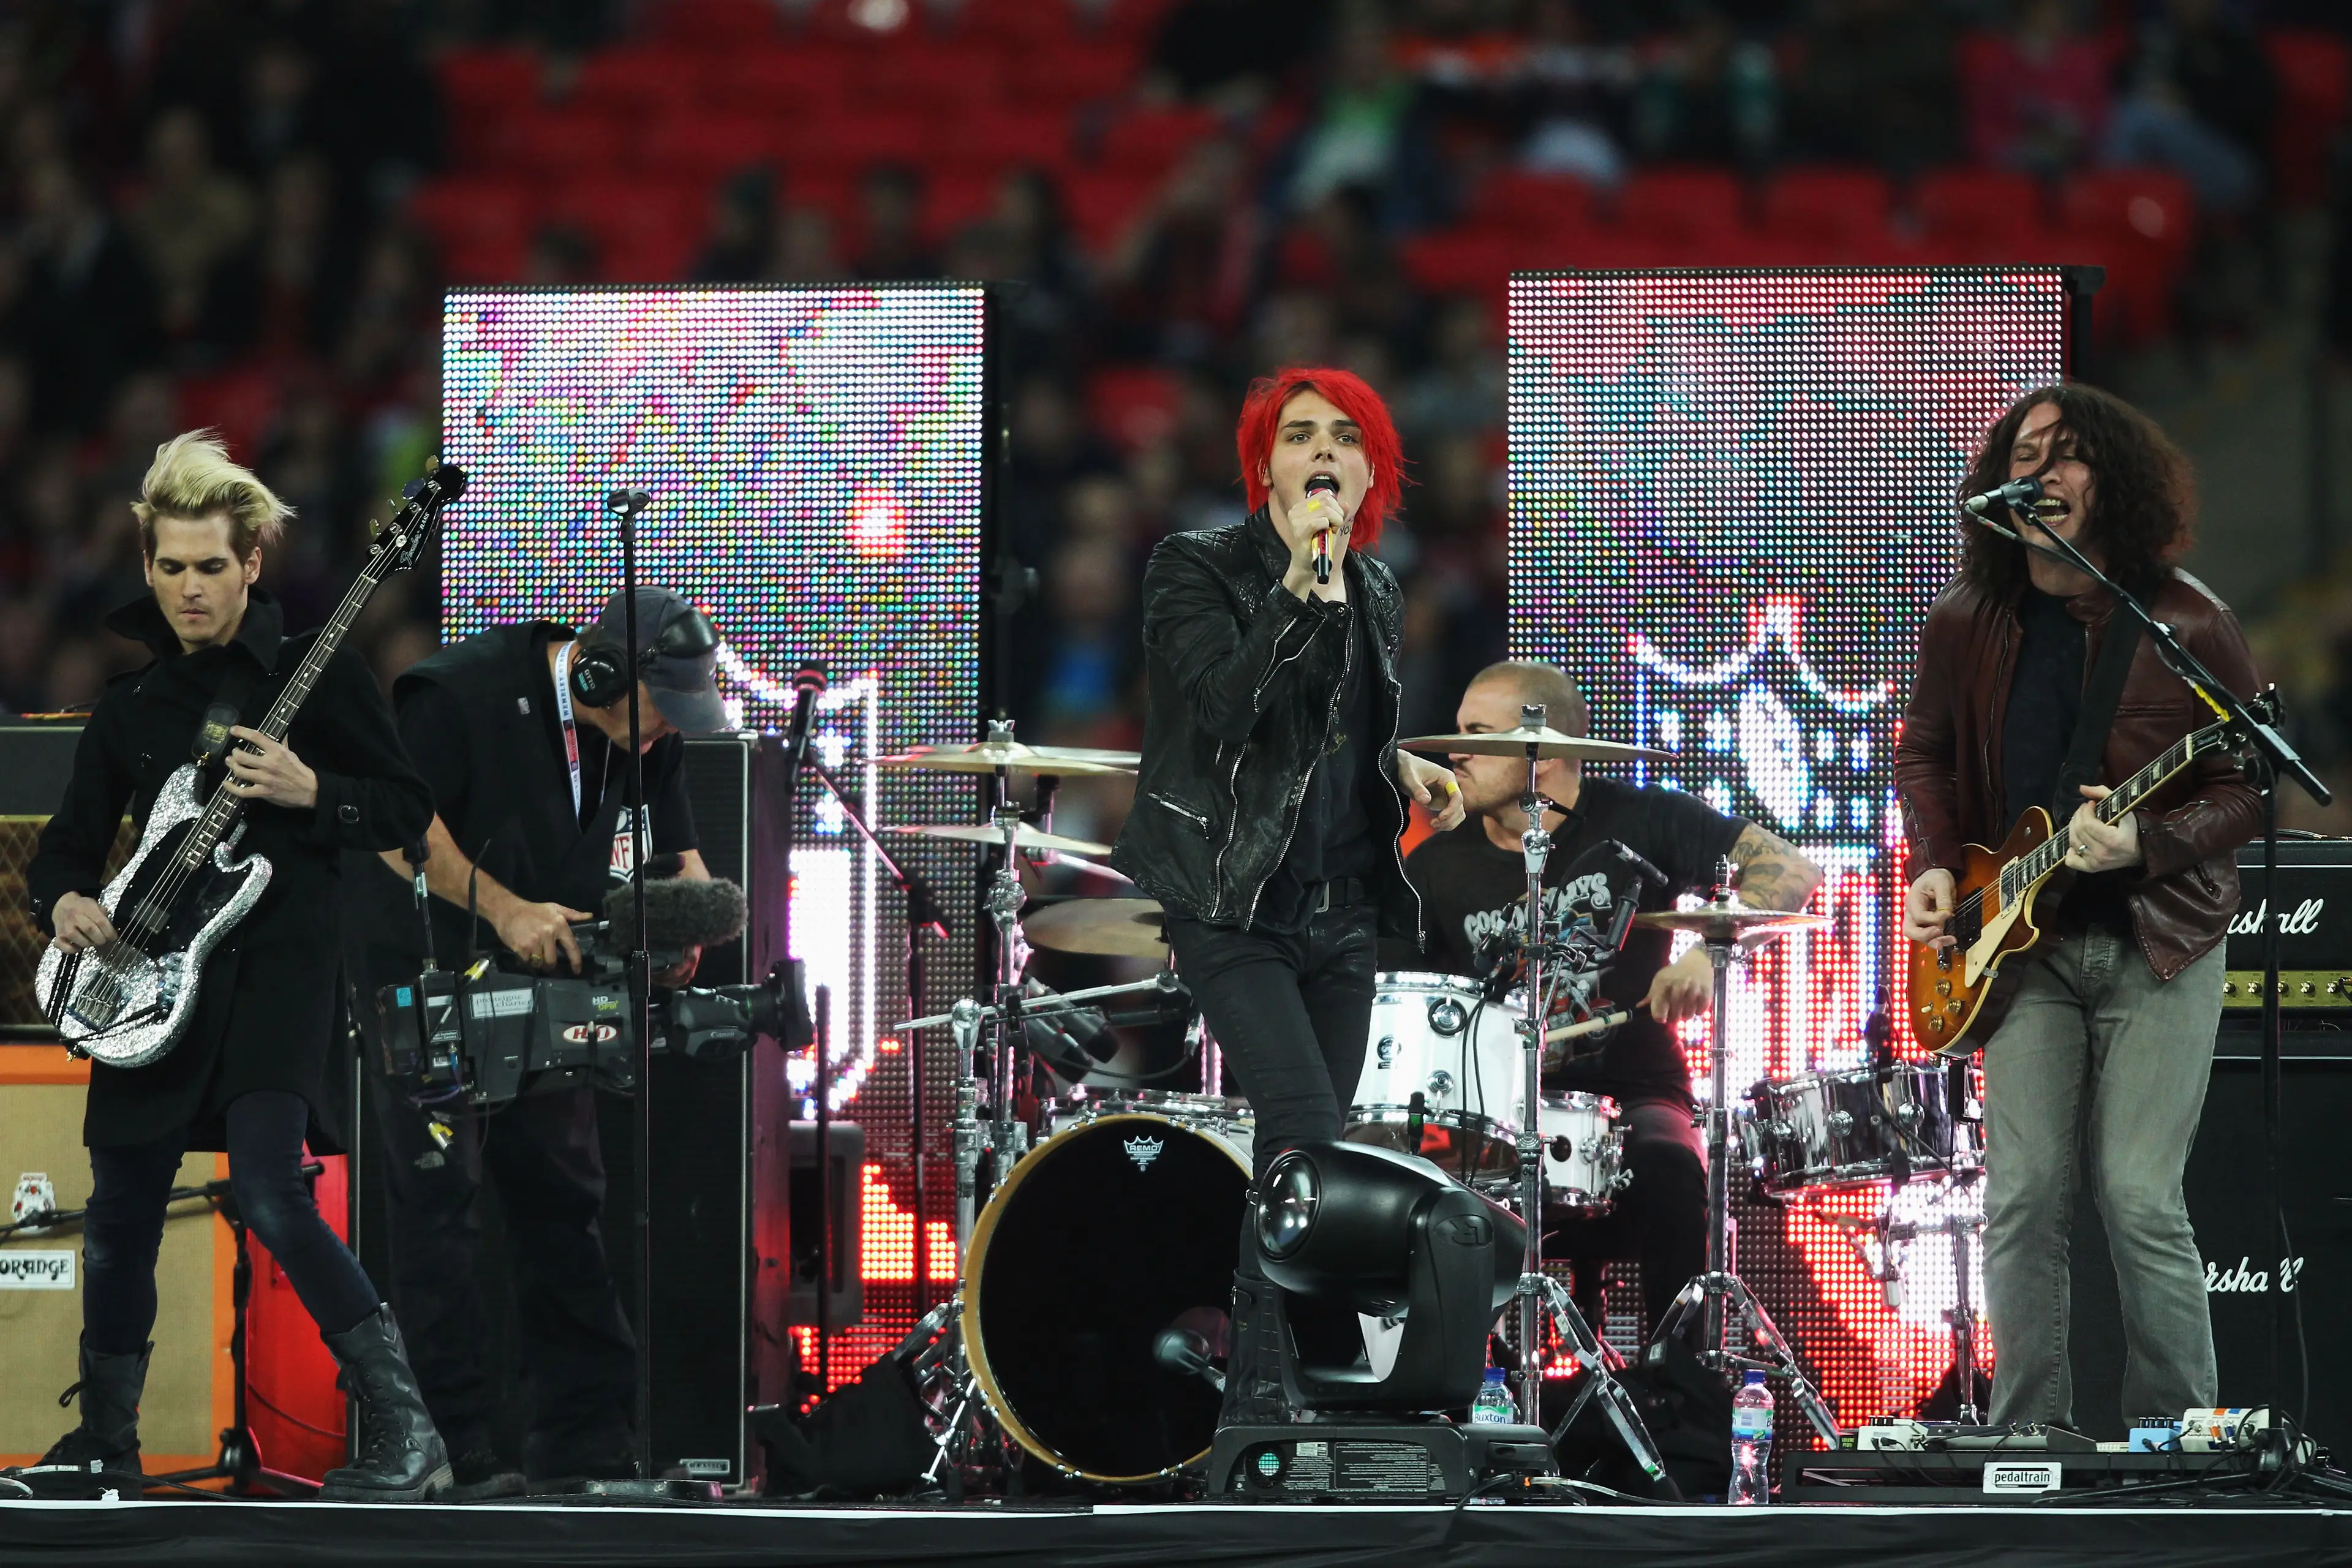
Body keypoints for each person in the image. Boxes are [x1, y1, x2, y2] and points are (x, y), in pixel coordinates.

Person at [26, 431, 445, 1500]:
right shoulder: (131, 707)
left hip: (275, 977)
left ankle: (409, 1431)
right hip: (148, 977)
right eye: (170, 567)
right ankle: (108, 1445)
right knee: (118, 1208)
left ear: (252, 561)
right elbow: (72, 845)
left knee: (271, 1191)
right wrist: (65, 899)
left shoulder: (321, 677)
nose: (188, 588)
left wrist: (316, 793)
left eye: (210, 565)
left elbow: (405, 810)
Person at [1896, 384, 2260, 1429]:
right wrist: (1932, 861)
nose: (2043, 472)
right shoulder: (1970, 617)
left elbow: (2246, 784)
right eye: (2025, 452)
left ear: (2115, 481)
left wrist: (2148, 841)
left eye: (2068, 455)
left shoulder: (2188, 619)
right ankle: (2030, 1435)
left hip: (2160, 942)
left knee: (2139, 1196)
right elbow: (1924, 750)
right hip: (2022, 947)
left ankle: (2175, 1435)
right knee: (2022, 1201)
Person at [1110, 366, 1466, 1428]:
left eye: (1346, 439)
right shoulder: (1197, 568)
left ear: (1371, 474)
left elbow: (1324, 731)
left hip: (1342, 908)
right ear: (1264, 464)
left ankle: (1284, 1381)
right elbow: (1225, 714)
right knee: (1305, 1130)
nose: (1323, 452)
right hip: (1229, 903)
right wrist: (1298, 589)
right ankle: (1277, 1392)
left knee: (1315, 1153)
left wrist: (1400, 767)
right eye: (1300, 435)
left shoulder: (1379, 591)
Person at [343, 587, 727, 1496]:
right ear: (599, 675)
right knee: (440, 1206)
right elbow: (401, 835)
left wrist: (675, 935)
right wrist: (505, 909)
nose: (668, 733)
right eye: (660, 713)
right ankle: (455, 1441)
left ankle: (588, 1440)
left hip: (541, 984)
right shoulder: (457, 694)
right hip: (425, 968)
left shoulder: (648, 738)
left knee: (565, 1198)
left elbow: (682, 862)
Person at [1404, 659, 1822, 1341]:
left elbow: (1792, 870)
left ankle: (1678, 1401)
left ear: (1542, 751)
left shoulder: (1641, 818)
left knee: (1671, 1168)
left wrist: (1707, 950)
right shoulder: (1432, 865)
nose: (1456, 752)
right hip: (1494, 1107)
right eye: (1457, 731)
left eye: (1478, 732)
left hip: (1634, 1093)